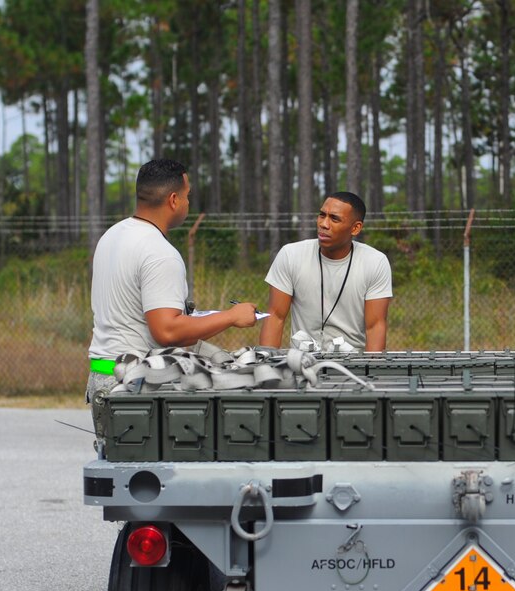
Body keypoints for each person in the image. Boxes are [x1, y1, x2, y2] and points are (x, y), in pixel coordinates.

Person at [87, 158, 259, 413]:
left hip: (103, 375)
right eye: (187, 196)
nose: (188, 202)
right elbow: (166, 331)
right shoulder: (159, 252)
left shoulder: (112, 235)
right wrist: (232, 316)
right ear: (173, 200)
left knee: (112, 454)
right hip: (136, 385)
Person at [259, 192, 392, 352]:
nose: (324, 224)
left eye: (334, 219)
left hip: (353, 364)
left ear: (355, 228)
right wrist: (267, 368)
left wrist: (368, 374)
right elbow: (275, 316)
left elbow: (375, 326)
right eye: (322, 215)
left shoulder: (375, 262)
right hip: (302, 362)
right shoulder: (291, 255)